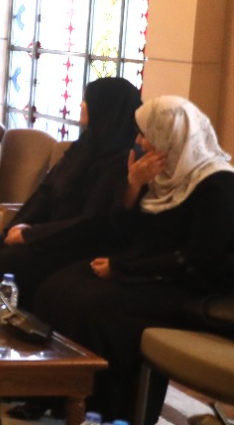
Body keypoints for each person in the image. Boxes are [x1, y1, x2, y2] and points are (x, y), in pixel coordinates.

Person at [33, 96, 234, 424]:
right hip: (147, 271)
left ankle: (107, 412)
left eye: (146, 134)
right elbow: (122, 233)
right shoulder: (163, 173)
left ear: (170, 135)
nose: (139, 142)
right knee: (57, 286)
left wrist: (122, 269)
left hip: (191, 287)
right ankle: (54, 398)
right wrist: (133, 185)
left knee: (94, 306)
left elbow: (196, 260)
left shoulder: (217, 184)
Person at [0, 78, 141, 305]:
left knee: (5, 265)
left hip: (75, 243)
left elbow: (91, 220)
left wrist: (30, 235)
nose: (81, 105)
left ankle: (0, 324)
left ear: (106, 108)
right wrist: (19, 226)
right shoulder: (84, 145)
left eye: (87, 101)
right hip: (46, 233)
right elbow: (46, 190)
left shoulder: (122, 159)